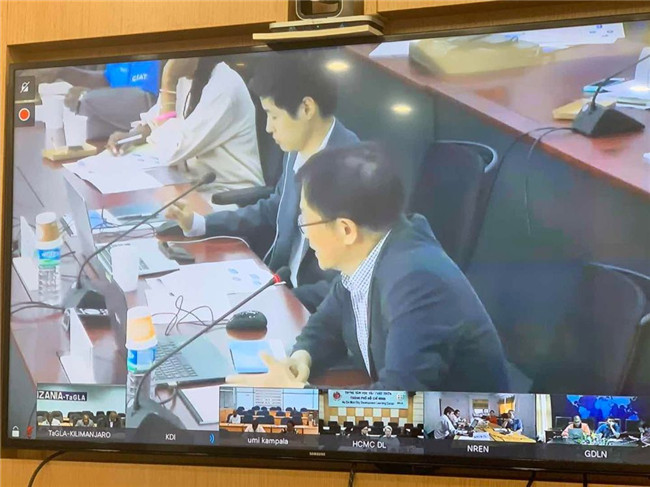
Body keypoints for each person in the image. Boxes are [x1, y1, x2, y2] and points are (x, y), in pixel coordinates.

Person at [226, 143, 509, 391]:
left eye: (306, 221)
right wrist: (302, 357)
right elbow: (328, 322)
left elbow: (398, 403)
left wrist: (297, 396)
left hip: (470, 429)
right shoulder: (372, 251)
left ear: (346, 230)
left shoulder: (417, 282)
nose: (306, 234)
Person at [164, 52, 360, 311]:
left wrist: (284, 301)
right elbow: (273, 209)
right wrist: (200, 224)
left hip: (311, 309)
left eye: (274, 116)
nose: (268, 128)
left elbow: (349, 282)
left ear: (306, 108)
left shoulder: (352, 172)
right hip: (278, 285)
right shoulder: (299, 147)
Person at [106, 57, 264, 194]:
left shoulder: (223, 86)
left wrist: (168, 81)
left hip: (228, 194)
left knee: (157, 215)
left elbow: (171, 151)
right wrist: (132, 136)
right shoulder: (186, 78)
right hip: (191, 185)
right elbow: (156, 120)